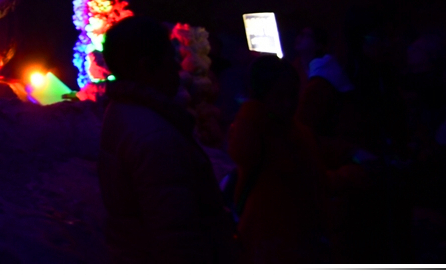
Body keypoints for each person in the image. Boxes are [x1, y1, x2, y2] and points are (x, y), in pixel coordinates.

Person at [98, 15, 236, 262]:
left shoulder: (120, 110)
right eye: (170, 58)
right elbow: (177, 237)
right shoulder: (155, 138)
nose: (177, 68)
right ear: (146, 66)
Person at [229, 54, 329, 261]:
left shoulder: (294, 131)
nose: (288, 104)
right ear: (261, 97)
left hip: (281, 240)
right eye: (280, 97)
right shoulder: (259, 130)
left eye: (293, 96)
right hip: (272, 242)